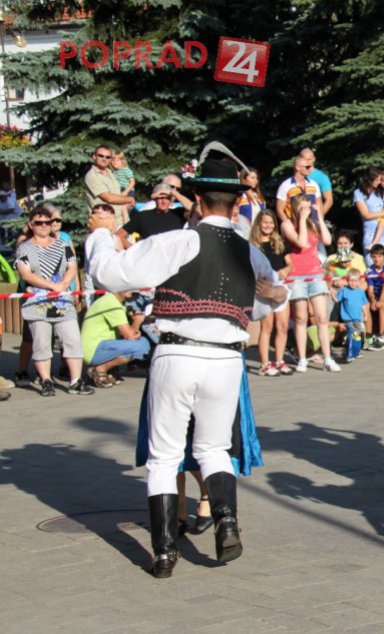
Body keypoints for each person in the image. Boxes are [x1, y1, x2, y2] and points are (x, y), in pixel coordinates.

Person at [86, 152, 289, 579]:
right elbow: (268, 301)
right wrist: (268, 296)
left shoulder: (180, 240)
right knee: (214, 448)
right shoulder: (249, 253)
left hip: (177, 352)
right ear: (236, 205)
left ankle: (163, 554)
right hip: (227, 360)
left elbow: (108, 275)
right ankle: (227, 524)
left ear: (196, 199)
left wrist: (103, 235)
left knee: (164, 456)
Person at [14, 207, 93, 396]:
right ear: (31, 225)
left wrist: (64, 284)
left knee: (73, 339)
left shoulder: (62, 245)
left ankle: (75, 381)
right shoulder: (25, 247)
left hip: (62, 302)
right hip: (37, 302)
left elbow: (72, 266)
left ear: (52, 225)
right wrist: (51, 285)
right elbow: (25, 274)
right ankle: (46, 380)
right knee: (41, 343)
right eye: (38, 223)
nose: (43, 226)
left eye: (47, 222)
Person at [282, 194, 340, 373]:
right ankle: (301, 359)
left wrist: (320, 217)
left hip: (315, 274)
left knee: (322, 317)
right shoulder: (287, 224)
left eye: (309, 207)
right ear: (296, 208)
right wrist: (301, 220)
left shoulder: (312, 224)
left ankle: (328, 358)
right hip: (297, 276)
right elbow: (301, 243)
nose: (307, 210)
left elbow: (328, 240)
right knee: (301, 318)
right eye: (303, 207)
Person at [250, 210, 293, 376]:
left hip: (280, 288)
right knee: (266, 327)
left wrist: (286, 269)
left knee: (282, 326)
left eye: (271, 222)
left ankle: (280, 360)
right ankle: (265, 364)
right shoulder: (253, 245)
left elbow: (291, 263)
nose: (268, 225)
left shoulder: (279, 242)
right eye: (265, 222)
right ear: (259, 224)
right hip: (263, 289)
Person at [81, 290, 152, 387]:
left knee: (141, 343)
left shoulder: (114, 301)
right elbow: (130, 336)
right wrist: (137, 320)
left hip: (100, 345)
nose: (132, 289)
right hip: (93, 350)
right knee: (142, 345)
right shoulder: (111, 303)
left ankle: (111, 369)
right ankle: (100, 369)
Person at [117, 183, 188, 247]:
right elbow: (119, 235)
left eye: (167, 198)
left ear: (171, 199)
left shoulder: (179, 214)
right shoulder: (143, 216)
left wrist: (174, 193)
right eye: (160, 198)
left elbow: (193, 207)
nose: (164, 201)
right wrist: (134, 251)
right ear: (154, 198)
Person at [84, 145, 134, 225]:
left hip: (121, 221)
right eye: (101, 156)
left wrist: (125, 204)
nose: (104, 159)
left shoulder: (111, 172)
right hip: (104, 223)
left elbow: (118, 193)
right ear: (94, 156)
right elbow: (109, 198)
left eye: (108, 157)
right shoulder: (92, 176)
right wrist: (130, 199)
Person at [276, 157, 321, 224]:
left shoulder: (314, 184)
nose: (309, 169)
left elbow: (320, 206)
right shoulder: (285, 185)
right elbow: (279, 210)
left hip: (313, 226)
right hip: (295, 226)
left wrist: (320, 223)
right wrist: (289, 226)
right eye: (307, 167)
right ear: (297, 167)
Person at [337, 268, 369, 362]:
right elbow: (337, 299)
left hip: (358, 319)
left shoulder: (361, 292)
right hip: (348, 319)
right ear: (347, 280)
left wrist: (366, 314)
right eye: (351, 280)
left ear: (359, 281)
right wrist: (332, 292)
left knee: (357, 337)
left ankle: (355, 352)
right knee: (351, 335)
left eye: (355, 281)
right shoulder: (344, 290)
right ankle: (349, 354)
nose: (353, 283)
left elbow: (363, 304)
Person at [365, 244, 384, 349]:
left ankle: (381, 337)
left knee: (382, 306)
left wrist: (381, 300)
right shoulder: (369, 271)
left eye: (379, 256)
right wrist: (372, 300)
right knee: (366, 306)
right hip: (374, 295)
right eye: (374, 256)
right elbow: (370, 290)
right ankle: (368, 339)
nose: (376, 259)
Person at [300, 147, 335, 216]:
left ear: (314, 159)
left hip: (314, 217)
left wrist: (319, 216)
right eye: (304, 159)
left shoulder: (321, 177)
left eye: (309, 159)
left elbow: (329, 200)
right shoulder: (297, 175)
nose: (307, 162)